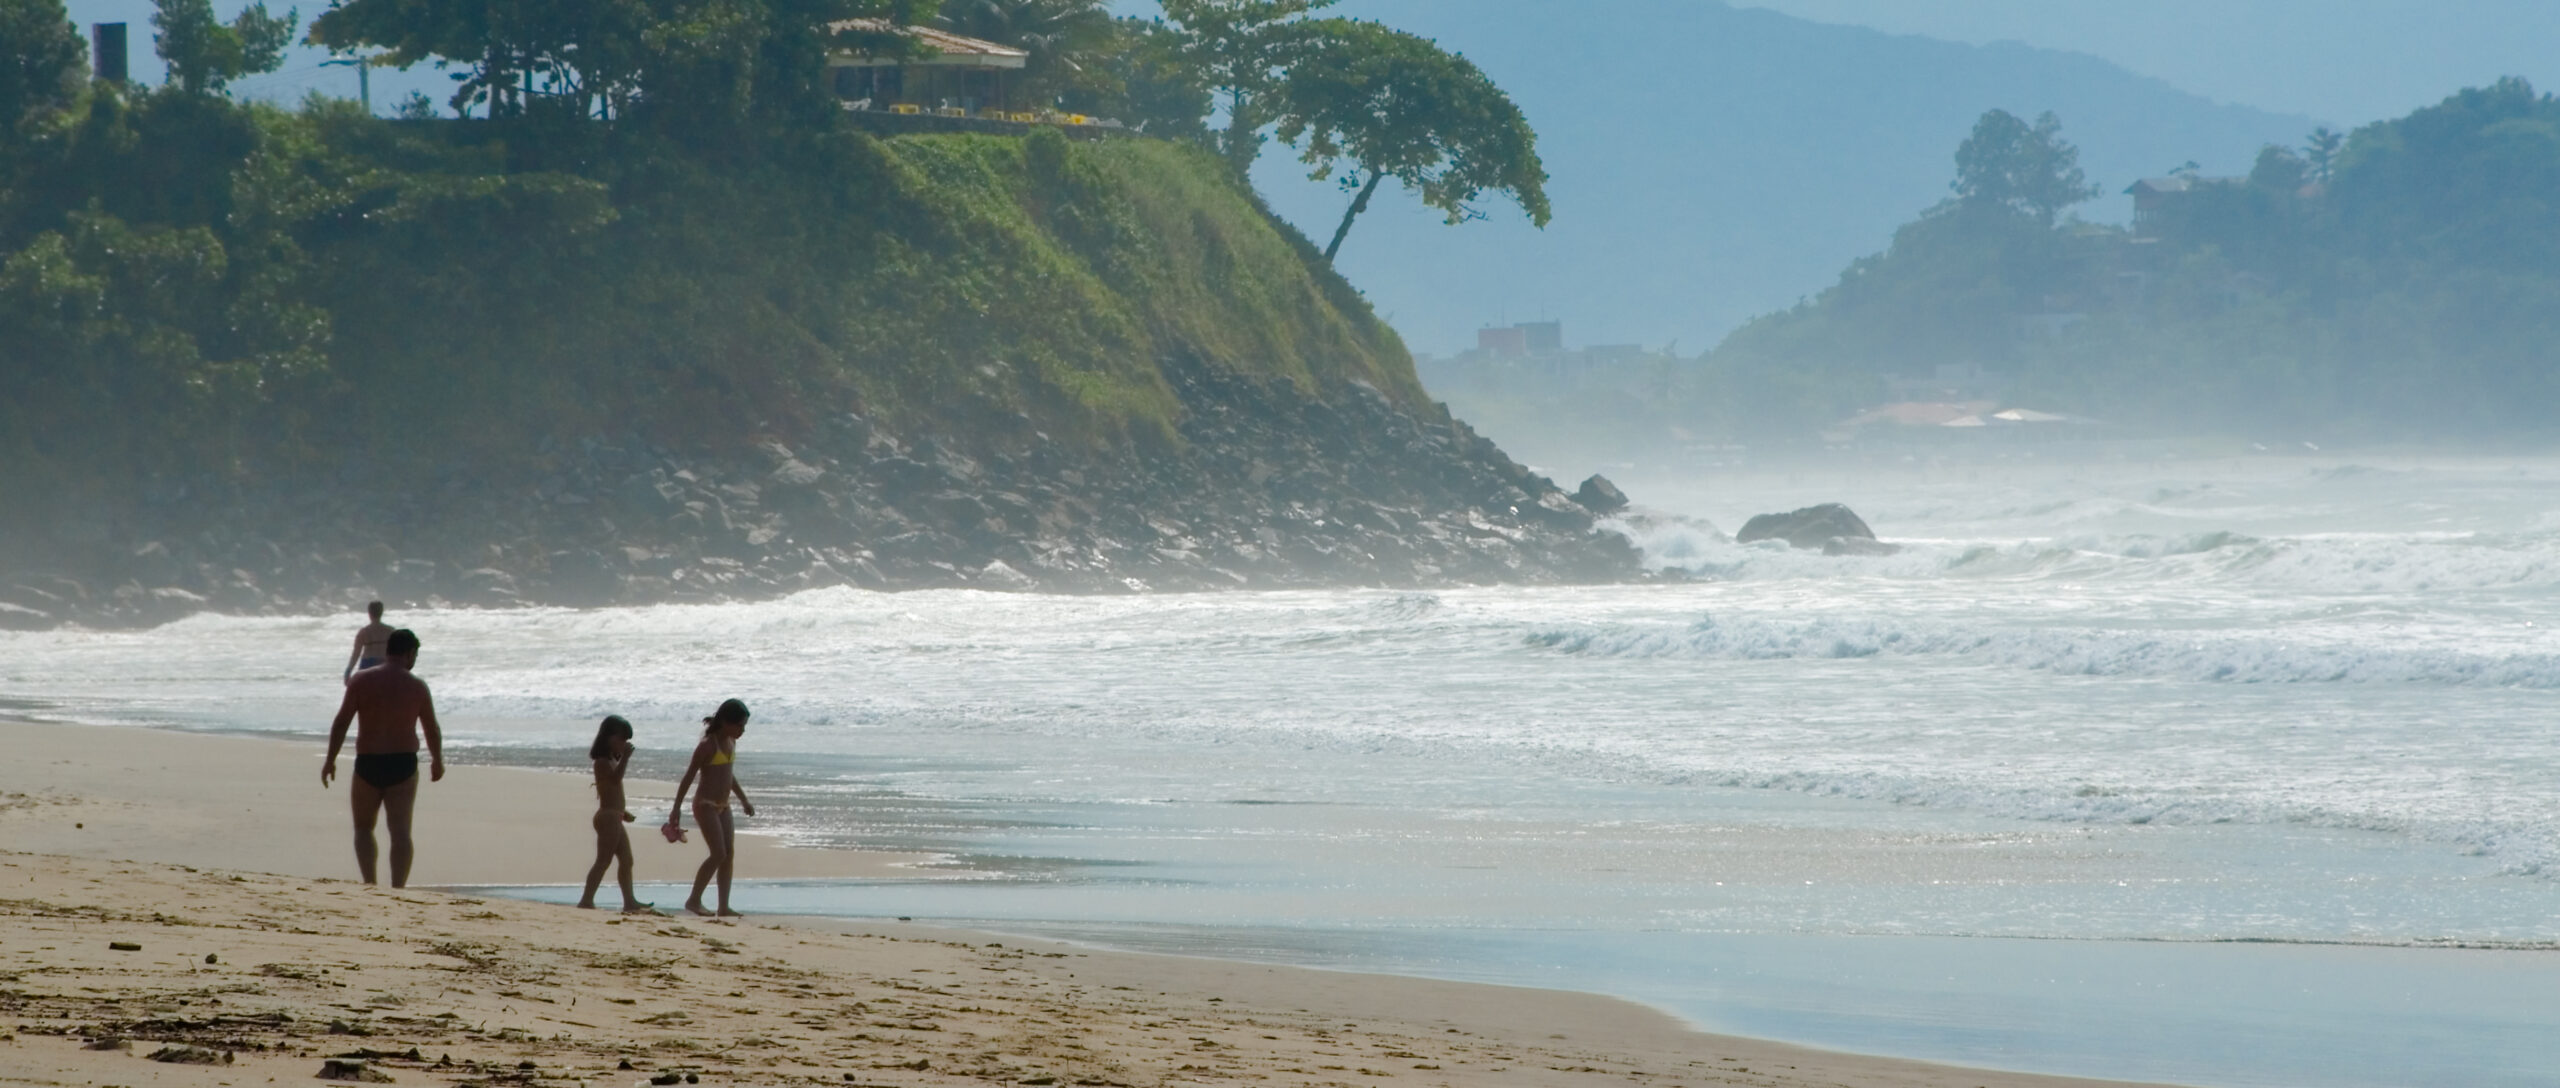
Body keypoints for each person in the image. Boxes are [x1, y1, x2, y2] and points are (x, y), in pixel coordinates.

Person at [322, 628, 444, 887]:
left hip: (369, 762)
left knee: (364, 828)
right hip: (403, 764)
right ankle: (398, 889)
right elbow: (431, 727)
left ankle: (370, 883)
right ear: (410, 653)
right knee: (400, 832)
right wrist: (437, 759)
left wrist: (330, 759)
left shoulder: (361, 681)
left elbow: (342, 721)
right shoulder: (417, 686)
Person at [665, 698, 755, 918]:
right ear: (725, 722)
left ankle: (723, 906)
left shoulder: (731, 742)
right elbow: (688, 776)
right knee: (718, 853)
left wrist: (743, 800)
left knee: (728, 854)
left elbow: (728, 774)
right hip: (705, 805)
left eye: (744, 725)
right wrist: (676, 808)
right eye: (739, 725)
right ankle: (694, 900)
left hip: (724, 806)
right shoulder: (708, 745)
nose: (742, 730)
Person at [578, 715, 652, 913]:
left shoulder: (611, 760)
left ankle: (629, 901)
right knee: (603, 860)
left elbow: (612, 793)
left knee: (627, 860)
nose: (624, 744)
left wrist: (623, 812)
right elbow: (614, 781)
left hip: (615, 814)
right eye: (622, 740)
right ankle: (586, 900)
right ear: (610, 738)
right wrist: (626, 758)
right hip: (607, 817)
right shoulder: (602, 762)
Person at [344, 601, 395, 683]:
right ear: (382, 612)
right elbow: (397, 653)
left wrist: (348, 671)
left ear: (369, 613)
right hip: (384, 664)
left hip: (367, 664)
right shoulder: (390, 631)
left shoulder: (364, 632)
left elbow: (356, 654)